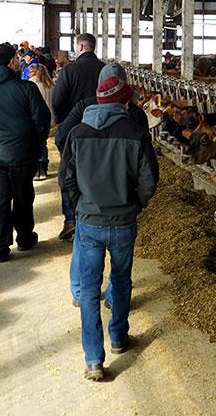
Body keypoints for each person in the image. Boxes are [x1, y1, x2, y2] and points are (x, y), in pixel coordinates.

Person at [62, 75, 158, 381]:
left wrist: (80, 206)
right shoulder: (136, 132)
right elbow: (149, 180)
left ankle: (93, 359)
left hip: (89, 223)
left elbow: (66, 179)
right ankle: (118, 337)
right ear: (123, 103)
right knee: (121, 279)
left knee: (89, 291)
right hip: (123, 221)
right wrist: (135, 205)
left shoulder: (76, 134)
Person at [57, 64, 148, 303]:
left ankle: (79, 293)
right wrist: (137, 200)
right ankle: (114, 301)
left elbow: (60, 137)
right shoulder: (136, 115)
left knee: (83, 250)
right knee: (121, 266)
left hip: (88, 205)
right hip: (123, 205)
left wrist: (77, 192)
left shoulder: (84, 107)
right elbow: (146, 166)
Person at [0, 44, 51, 262]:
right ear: (11, 63)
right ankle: (25, 239)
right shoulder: (27, 88)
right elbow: (42, 121)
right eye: (16, 58)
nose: (18, 61)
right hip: (23, 154)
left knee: (0, 199)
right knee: (23, 196)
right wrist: (36, 140)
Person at [51, 34, 106, 240]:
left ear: (81, 46)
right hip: (103, 130)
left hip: (75, 130)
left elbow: (57, 101)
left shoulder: (69, 70)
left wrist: (65, 122)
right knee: (98, 171)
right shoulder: (104, 70)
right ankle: (98, 213)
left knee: (70, 172)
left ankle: (72, 219)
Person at [27, 63, 57, 180]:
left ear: (34, 72)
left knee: (34, 144)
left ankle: (36, 170)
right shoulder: (50, 85)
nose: (28, 74)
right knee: (43, 143)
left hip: (35, 118)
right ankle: (43, 169)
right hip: (49, 118)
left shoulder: (31, 84)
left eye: (30, 71)